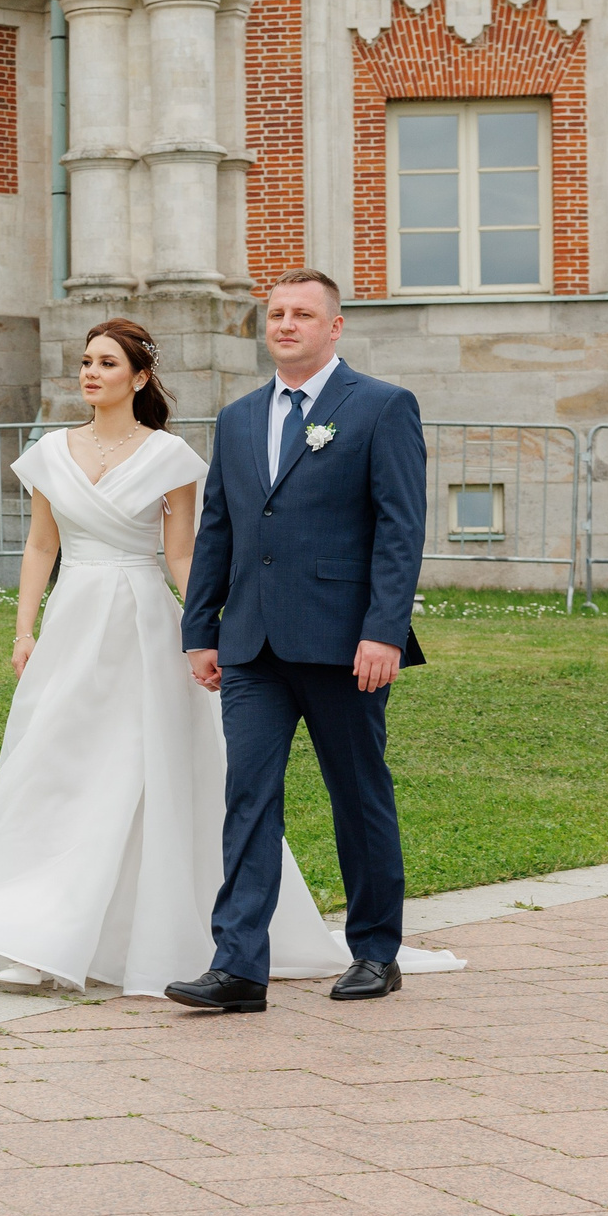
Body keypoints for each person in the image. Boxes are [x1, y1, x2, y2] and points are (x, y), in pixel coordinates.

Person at [0, 317, 459, 999]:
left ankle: (361, 949)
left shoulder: (174, 454)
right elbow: (40, 546)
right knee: (57, 764)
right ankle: (50, 930)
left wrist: (200, 626)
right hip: (73, 625)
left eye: (106, 362)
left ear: (140, 376)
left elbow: (190, 552)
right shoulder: (60, 451)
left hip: (149, 623)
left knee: (186, 774)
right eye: (85, 361)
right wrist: (23, 628)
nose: (90, 373)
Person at [167, 268, 452, 1013]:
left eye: (302, 314)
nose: (286, 324)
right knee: (248, 798)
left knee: (357, 796)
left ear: (336, 326)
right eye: (276, 314)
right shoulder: (237, 418)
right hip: (253, 644)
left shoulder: (381, 407)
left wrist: (384, 631)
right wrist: (202, 629)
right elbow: (219, 530)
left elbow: (400, 529)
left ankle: (375, 950)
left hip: (343, 642)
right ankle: (237, 967)